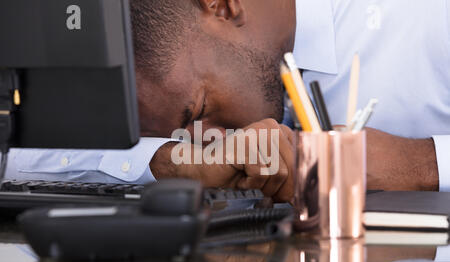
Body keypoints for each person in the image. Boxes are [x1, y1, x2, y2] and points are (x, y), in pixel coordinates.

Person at [6, 0, 450, 202]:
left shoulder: (429, 19)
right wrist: (170, 161)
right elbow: (13, 156)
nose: (209, 143)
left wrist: (421, 164)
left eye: (197, 114)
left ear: (220, 6)